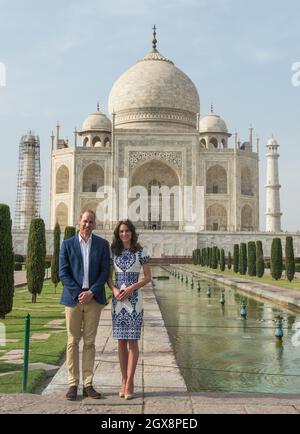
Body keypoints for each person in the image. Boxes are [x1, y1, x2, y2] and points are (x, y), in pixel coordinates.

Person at [59, 210, 110, 401]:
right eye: (85, 221)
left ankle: (88, 383)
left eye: (91, 222)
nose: (87, 224)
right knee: (73, 341)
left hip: (93, 299)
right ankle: (73, 383)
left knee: (89, 343)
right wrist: (78, 293)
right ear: (78, 221)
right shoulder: (67, 244)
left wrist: (91, 292)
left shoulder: (102, 245)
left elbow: (105, 271)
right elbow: (63, 272)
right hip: (73, 299)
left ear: (94, 224)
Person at [107, 220, 151, 400]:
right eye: (121, 231)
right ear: (118, 234)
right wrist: (115, 290)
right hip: (118, 301)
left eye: (127, 231)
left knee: (132, 342)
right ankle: (123, 379)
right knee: (121, 342)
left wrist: (132, 288)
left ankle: (130, 381)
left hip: (134, 300)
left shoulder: (141, 251)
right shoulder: (113, 252)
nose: (124, 234)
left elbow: (148, 277)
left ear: (132, 232)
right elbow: (109, 277)